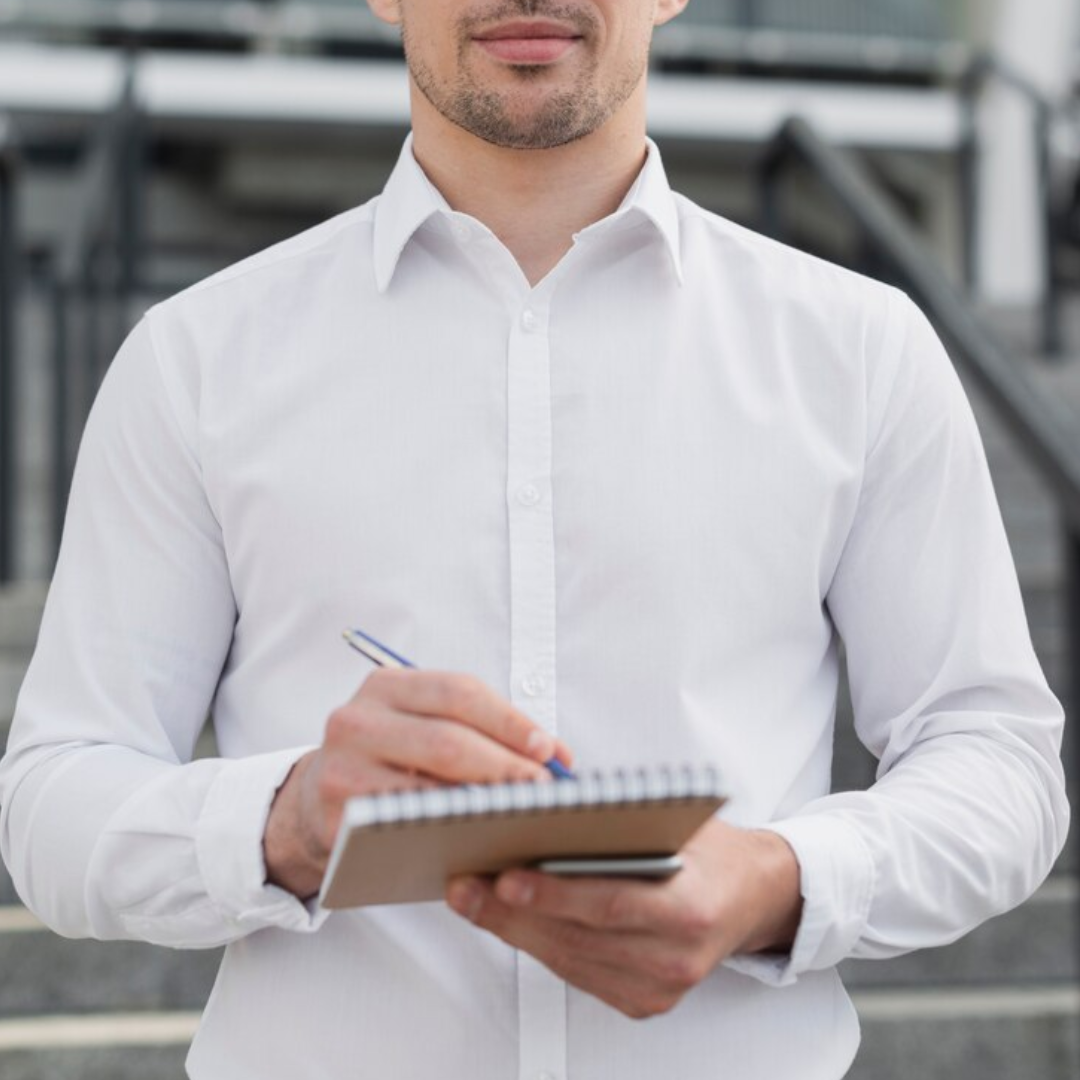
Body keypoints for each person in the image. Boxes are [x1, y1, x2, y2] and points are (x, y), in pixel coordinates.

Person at [0, 1, 1069, 1077]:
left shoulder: (862, 353)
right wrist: (284, 820)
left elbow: (998, 763)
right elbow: (54, 802)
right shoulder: (194, 361)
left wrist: (779, 879)